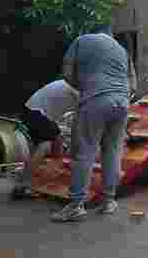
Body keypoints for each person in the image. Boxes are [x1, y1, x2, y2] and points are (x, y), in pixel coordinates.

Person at [52, 24, 130, 222]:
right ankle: (109, 201)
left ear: (94, 31)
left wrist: (86, 88)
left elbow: (67, 73)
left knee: (84, 152)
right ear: (110, 34)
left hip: (95, 99)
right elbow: (133, 82)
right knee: (112, 151)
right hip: (122, 102)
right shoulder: (121, 49)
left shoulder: (82, 40)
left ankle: (76, 205)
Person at [11, 80, 79, 199]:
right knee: (46, 144)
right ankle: (23, 184)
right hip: (39, 114)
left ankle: (45, 171)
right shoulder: (76, 91)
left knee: (57, 139)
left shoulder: (65, 83)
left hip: (32, 111)